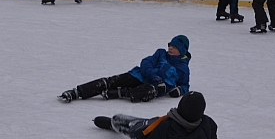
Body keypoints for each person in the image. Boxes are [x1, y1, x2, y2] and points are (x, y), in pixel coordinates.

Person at [88, 91, 245, 139]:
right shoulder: (208, 125)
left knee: (132, 124)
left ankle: (111, 123)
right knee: (153, 122)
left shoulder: (166, 127)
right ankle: (112, 122)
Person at [59, 35, 191, 103]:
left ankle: (121, 93)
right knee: (113, 80)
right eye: (170, 45)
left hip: (155, 87)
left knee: (151, 91)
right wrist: (152, 74)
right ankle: (77, 92)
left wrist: (179, 91)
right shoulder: (161, 53)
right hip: (139, 75)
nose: (170, 48)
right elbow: (146, 62)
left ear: (182, 50)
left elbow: (185, 85)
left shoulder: (183, 68)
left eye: (174, 47)